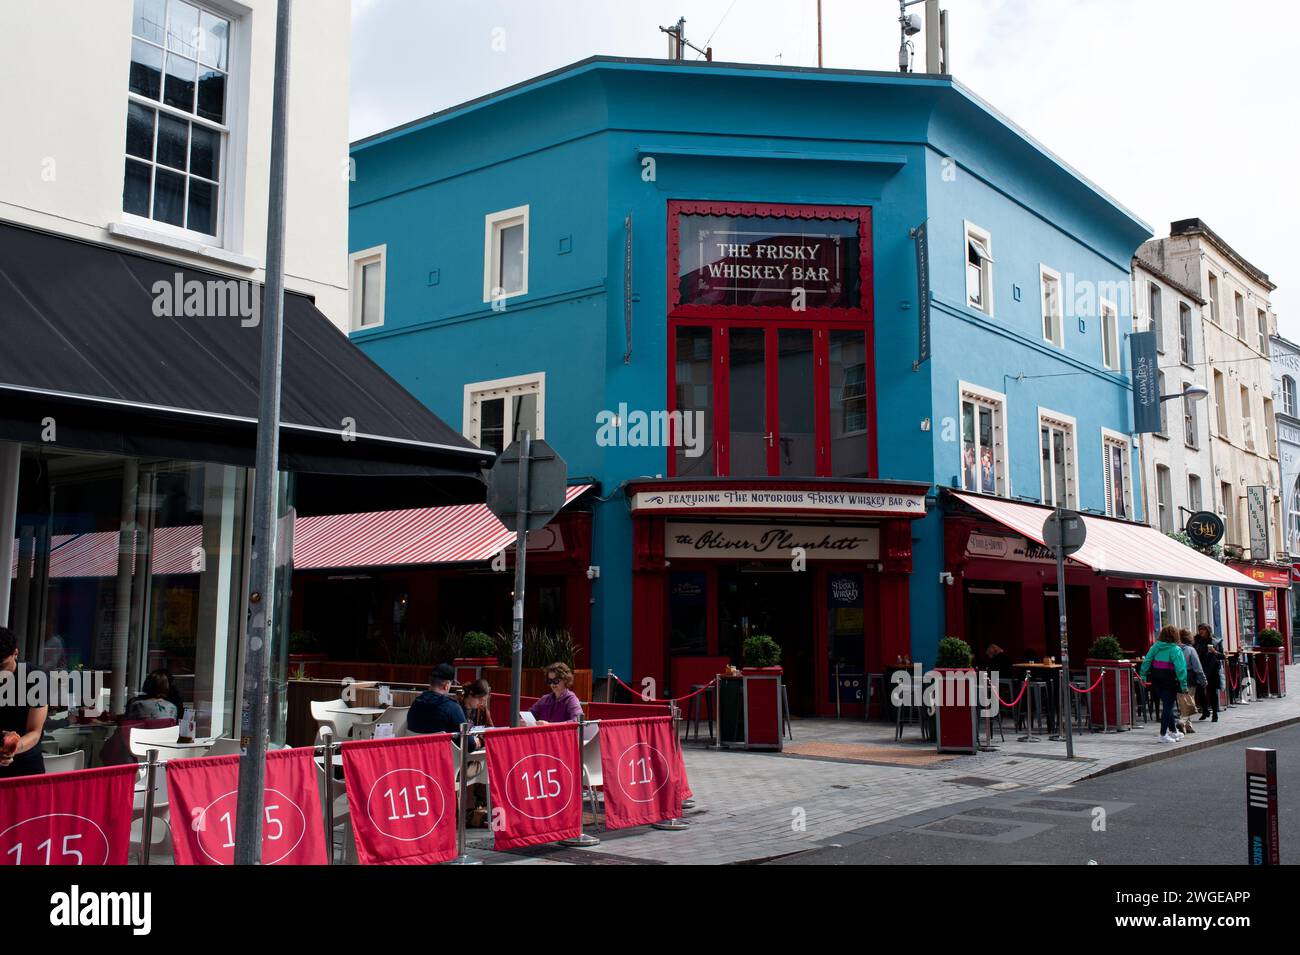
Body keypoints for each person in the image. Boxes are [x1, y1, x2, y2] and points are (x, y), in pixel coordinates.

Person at [0, 625, 48, 778]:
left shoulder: (35, 678)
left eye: (2, 666)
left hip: (27, 764)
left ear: (15, 653)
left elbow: (34, 731)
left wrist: (11, 749)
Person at [408, 664, 479, 749]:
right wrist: (479, 741)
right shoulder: (452, 708)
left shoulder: (415, 704)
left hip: (417, 758)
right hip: (442, 760)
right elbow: (469, 745)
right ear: (446, 685)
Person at [1140, 625, 1188, 744]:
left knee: (1167, 704)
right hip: (1169, 679)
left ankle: (1173, 731)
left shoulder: (1156, 646)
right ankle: (1163, 734)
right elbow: (1181, 669)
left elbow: (1147, 660)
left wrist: (1143, 675)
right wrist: (1184, 685)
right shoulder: (1175, 649)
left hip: (1156, 678)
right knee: (1168, 706)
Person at [1177, 631, 1206, 735]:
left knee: (1183, 703)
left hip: (1177, 678)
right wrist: (1203, 680)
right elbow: (1198, 667)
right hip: (1189, 678)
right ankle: (1182, 721)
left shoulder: (1175, 649)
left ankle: (1188, 726)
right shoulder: (1190, 650)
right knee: (1189, 702)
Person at [1195, 624, 1223, 723]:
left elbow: (1222, 656)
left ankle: (1215, 714)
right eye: (1200, 629)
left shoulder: (1216, 641)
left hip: (1212, 669)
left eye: (1203, 629)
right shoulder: (1197, 640)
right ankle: (1205, 710)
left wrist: (1215, 652)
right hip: (1200, 668)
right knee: (1200, 690)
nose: (1201, 631)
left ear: (1208, 630)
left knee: (1212, 692)